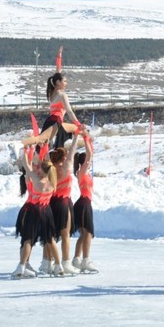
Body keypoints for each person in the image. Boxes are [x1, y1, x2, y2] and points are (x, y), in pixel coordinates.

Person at [12, 146, 62, 277]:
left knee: (28, 239)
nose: (37, 167)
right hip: (47, 211)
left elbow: (26, 165)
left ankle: (21, 266)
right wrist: (44, 147)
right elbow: (43, 164)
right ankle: (58, 265)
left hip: (34, 210)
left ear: (42, 170)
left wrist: (29, 149)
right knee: (50, 239)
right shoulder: (52, 182)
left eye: (39, 167)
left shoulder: (36, 180)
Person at [22, 48, 83, 149]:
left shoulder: (52, 93)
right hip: (55, 122)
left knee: (44, 143)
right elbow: (70, 111)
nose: (66, 83)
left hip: (52, 121)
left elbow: (57, 73)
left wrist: (59, 57)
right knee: (41, 140)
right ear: (58, 82)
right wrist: (78, 123)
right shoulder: (62, 95)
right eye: (65, 81)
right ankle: (21, 145)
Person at [49, 142, 81, 275]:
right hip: (63, 202)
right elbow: (73, 151)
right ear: (63, 157)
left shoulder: (50, 169)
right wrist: (75, 137)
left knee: (50, 235)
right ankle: (66, 261)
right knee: (65, 235)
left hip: (52, 202)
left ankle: (47, 261)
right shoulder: (66, 167)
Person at [71, 131, 98, 272]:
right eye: (88, 162)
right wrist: (86, 138)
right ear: (84, 163)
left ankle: (76, 259)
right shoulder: (81, 172)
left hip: (84, 203)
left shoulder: (83, 173)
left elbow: (90, 155)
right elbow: (90, 155)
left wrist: (90, 142)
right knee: (88, 233)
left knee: (84, 234)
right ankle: (86, 260)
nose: (90, 163)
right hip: (83, 203)